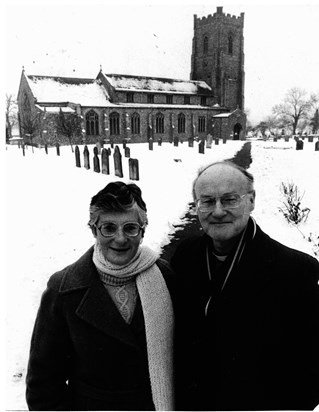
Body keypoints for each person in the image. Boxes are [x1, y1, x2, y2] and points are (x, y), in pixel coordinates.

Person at [172, 160, 319, 411]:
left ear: (251, 201)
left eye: (230, 199)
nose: (217, 211)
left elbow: (311, 369)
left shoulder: (296, 270)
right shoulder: (184, 256)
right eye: (207, 201)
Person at [26, 181, 175, 411]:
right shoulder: (63, 289)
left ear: (142, 231)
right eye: (108, 227)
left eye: (130, 227)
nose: (120, 238)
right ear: (94, 230)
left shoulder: (166, 278)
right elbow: (43, 386)